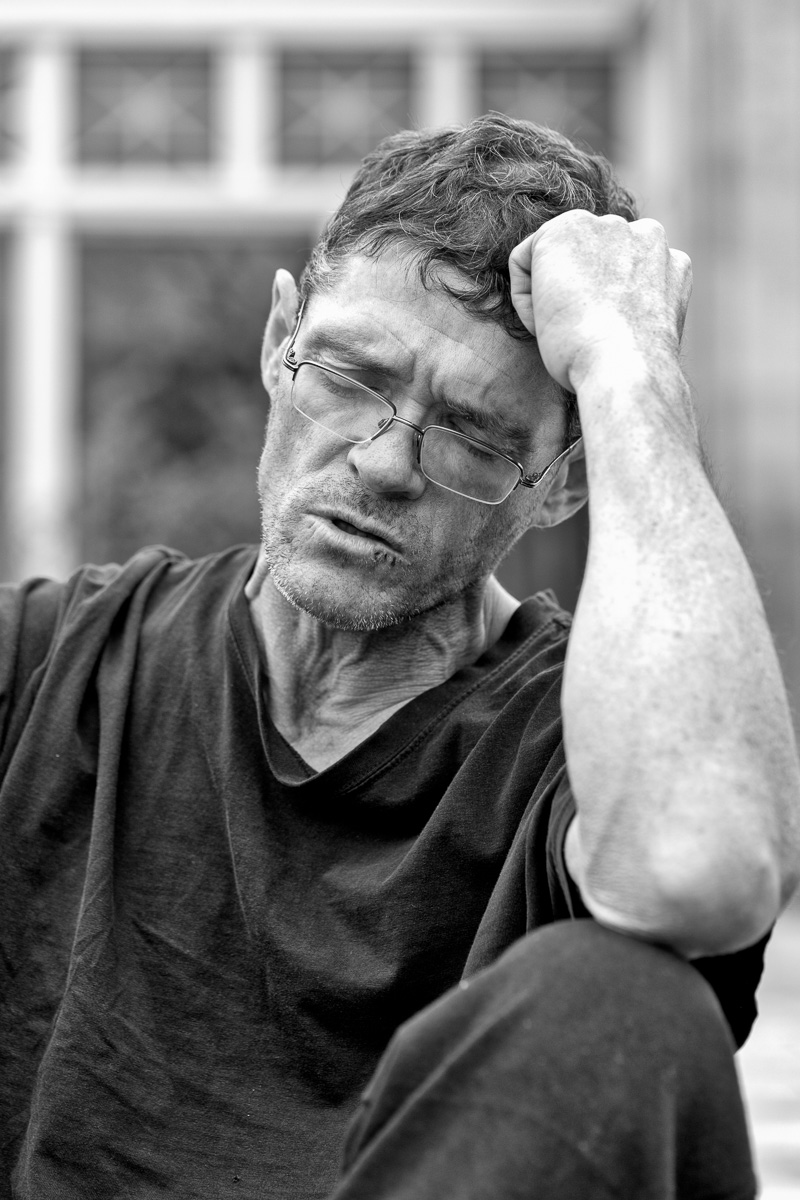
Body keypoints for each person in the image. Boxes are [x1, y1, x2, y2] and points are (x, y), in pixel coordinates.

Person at [0, 113, 798, 1200]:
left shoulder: (575, 758)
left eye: (469, 434)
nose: (381, 464)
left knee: (629, 1004)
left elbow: (696, 869)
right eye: (347, 375)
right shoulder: (49, 667)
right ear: (279, 339)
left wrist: (626, 372)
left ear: (560, 481)